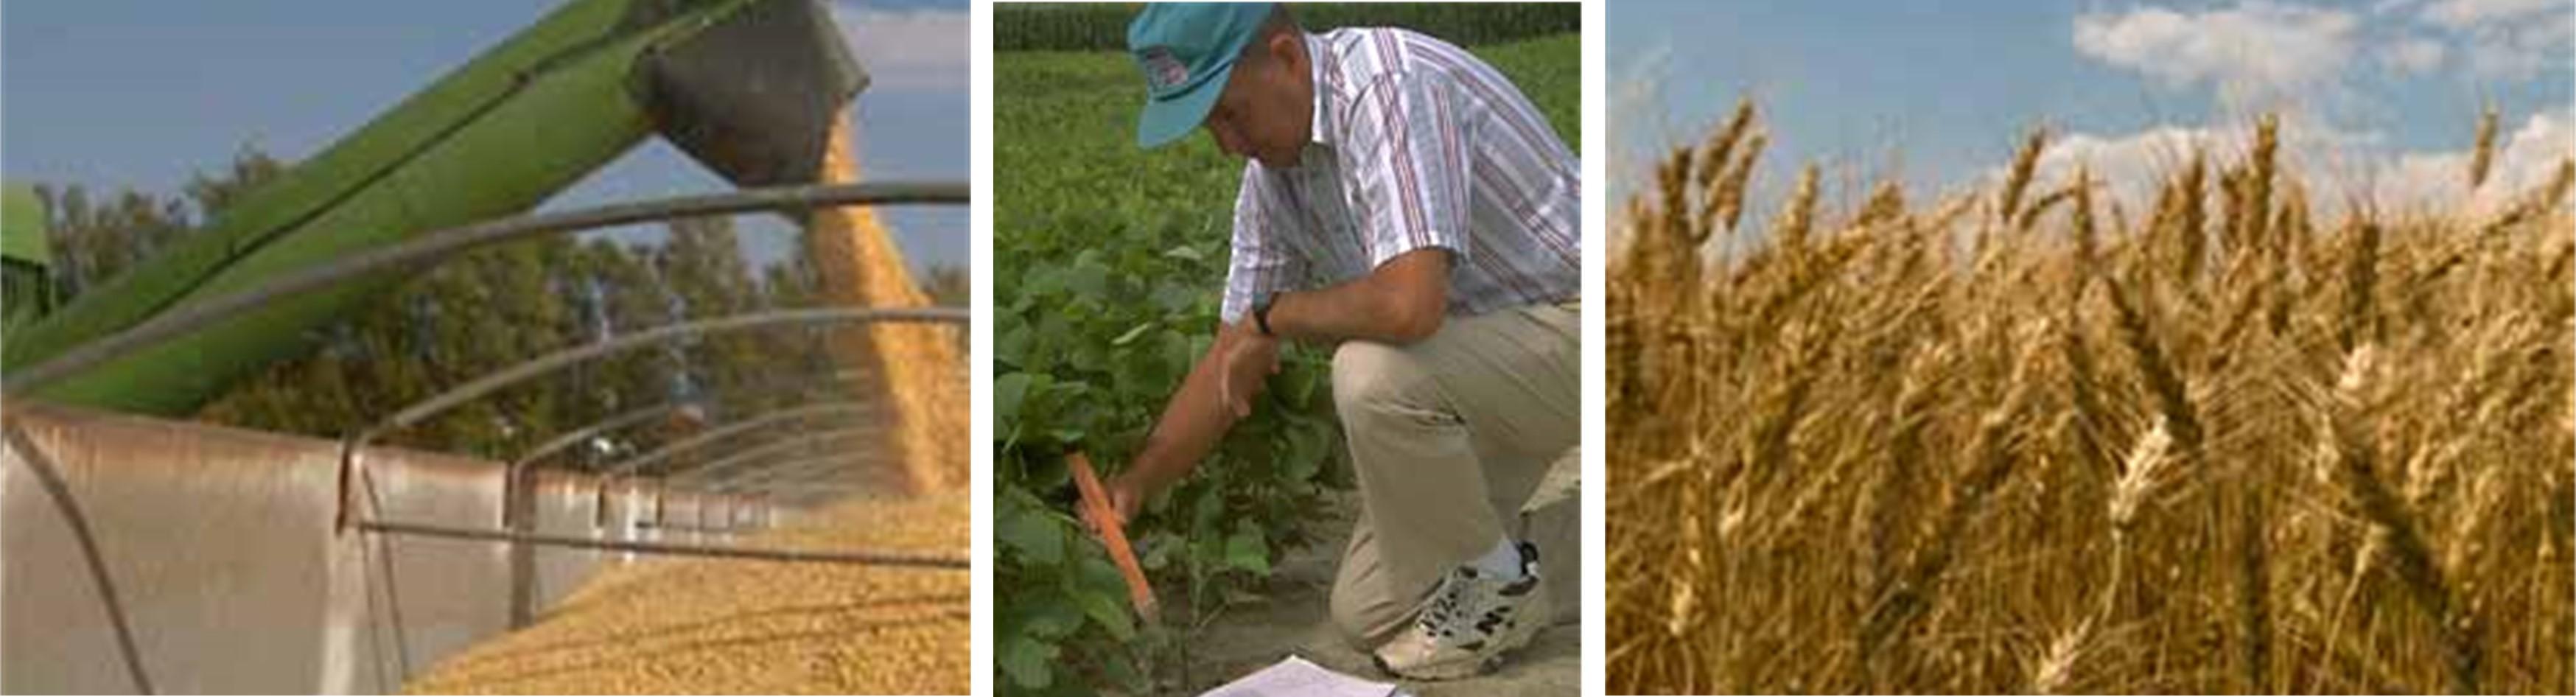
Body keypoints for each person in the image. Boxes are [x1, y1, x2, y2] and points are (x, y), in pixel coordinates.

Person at [1107, 2, 1581, 680]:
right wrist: (1137, 484)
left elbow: (1407, 307)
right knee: (1372, 613)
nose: (1227, 144)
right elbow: (1229, 357)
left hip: (1591, 324)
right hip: (1487, 371)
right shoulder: (1277, 178)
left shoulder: (1389, 87)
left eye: (1231, 113)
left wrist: (1278, 317)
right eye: (1210, 126)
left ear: (1287, 58)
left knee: (1373, 374)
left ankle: (1497, 591)